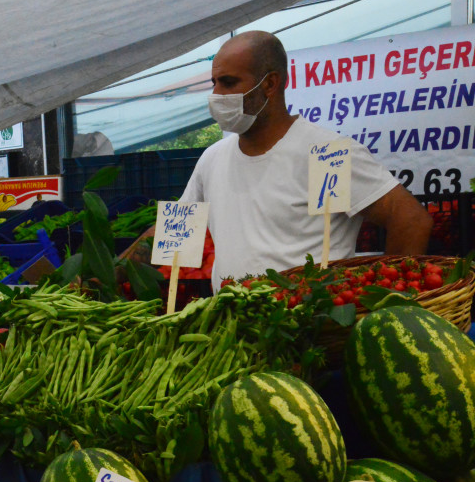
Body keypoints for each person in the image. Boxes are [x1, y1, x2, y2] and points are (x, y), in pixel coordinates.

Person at [182, 31, 432, 289]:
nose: (216, 94)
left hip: (312, 325)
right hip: (233, 322)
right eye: (214, 83)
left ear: (270, 84)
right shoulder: (211, 159)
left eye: (228, 82)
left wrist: (387, 301)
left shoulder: (327, 152)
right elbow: (180, 231)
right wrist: (138, 257)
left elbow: (411, 220)